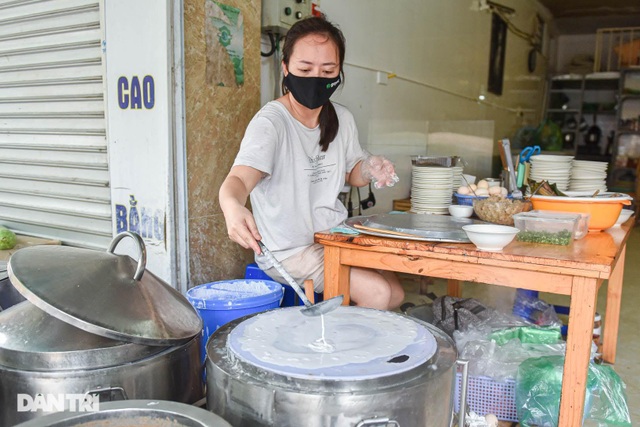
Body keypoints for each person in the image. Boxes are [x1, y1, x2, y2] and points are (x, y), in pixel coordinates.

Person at [219, 16, 404, 310]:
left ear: (339, 71)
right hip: (289, 251)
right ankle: (342, 352)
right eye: (305, 69)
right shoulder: (272, 123)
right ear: (286, 67)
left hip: (333, 239)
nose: (316, 78)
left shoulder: (341, 118)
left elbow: (351, 174)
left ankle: (345, 338)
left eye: (328, 70)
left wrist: (369, 168)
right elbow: (239, 180)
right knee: (378, 293)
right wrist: (231, 207)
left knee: (396, 293)